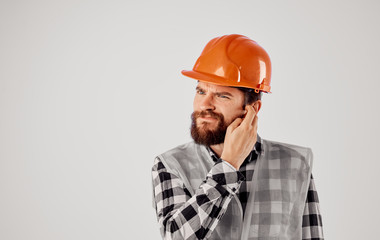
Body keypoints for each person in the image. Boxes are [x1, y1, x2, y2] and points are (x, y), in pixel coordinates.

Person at [151, 34, 323, 240]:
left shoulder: (295, 164)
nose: (205, 104)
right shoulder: (171, 165)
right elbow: (175, 237)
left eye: (222, 95)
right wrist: (228, 166)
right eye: (200, 91)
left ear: (253, 108)